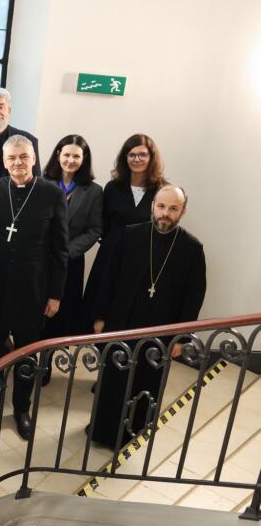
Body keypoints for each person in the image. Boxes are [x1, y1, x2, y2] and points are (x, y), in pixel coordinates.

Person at [90, 185, 206, 448]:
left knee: (147, 383)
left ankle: (135, 434)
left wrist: (181, 338)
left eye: (173, 208)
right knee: (113, 380)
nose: (165, 213)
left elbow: (193, 298)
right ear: (153, 206)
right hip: (122, 323)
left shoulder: (192, 248)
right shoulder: (130, 235)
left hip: (161, 332)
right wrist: (100, 317)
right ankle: (102, 432)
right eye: (161, 206)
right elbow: (108, 279)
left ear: (183, 211)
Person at [0, 135, 69, 439]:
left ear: (34, 159)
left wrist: (55, 294)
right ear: (4, 161)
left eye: (24, 157)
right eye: (12, 158)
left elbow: (60, 249)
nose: (18, 163)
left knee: (27, 353)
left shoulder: (51, 193)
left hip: (33, 288)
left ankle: (21, 408)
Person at [82, 133, 167, 329]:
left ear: (152, 157)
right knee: (98, 315)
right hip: (109, 257)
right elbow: (102, 225)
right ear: (125, 158)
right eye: (131, 154)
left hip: (145, 261)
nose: (137, 159)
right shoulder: (113, 188)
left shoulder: (162, 190)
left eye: (142, 154)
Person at [40, 135, 103, 340]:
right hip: (40, 259)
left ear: (84, 158)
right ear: (58, 155)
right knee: (37, 314)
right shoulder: (41, 183)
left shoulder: (94, 191)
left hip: (71, 261)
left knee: (62, 316)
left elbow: (94, 229)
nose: (70, 160)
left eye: (76, 156)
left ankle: (54, 354)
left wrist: (66, 252)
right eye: (66, 154)